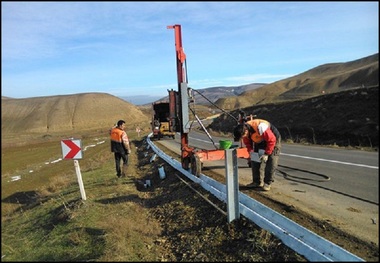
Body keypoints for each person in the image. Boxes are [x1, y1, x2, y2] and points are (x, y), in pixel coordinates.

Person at [233, 118, 281, 191]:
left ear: (246, 131)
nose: (243, 138)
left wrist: (267, 154)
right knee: (255, 161)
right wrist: (251, 152)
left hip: (273, 141)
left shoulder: (261, 127)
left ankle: (267, 183)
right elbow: (248, 144)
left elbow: (271, 140)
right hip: (259, 141)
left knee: (271, 162)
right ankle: (256, 182)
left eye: (242, 136)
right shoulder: (245, 132)